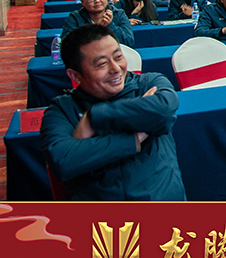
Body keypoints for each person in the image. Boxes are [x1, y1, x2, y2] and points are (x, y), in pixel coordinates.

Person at [40, 24, 185, 201]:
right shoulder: (62, 110)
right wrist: (135, 137)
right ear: (75, 76)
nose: (116, 68)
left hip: (162, 202)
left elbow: (164, 110)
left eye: (118, 57)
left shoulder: (149, 83)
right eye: (102, 64)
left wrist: (95, 117)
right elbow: (62, 161)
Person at [62, 0, 134, 47]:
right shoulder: (75, 18)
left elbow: (129, 42)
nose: (97, 1)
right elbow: (66, 45)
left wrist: (110, 25)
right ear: (82, 2)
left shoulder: (118, 14)